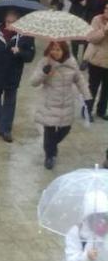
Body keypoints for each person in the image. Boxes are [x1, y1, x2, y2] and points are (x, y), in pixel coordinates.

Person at [0, 10, 35, 142]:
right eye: (8, 21)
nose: (10, 25)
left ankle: (5, 129)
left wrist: (20, 52)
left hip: (12, 75)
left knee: (10, 101)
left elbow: (30, 56)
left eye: (14, 22)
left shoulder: (25, 36)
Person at [31, 41, 90, 170]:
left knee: (65, 129)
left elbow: (80, 80)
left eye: (58, 50)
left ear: (64, 51)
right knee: (49, 131)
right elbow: (33, 82)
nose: (55, 52)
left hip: (66, 103)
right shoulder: (45, 62)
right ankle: (49, 156)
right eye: (53, 49)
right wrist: (44, 73)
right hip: (49, 103)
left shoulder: (72, 63)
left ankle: (51, 146)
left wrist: (87, 96)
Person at [85, 4, 108, 120]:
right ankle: (87, 110)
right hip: (96, 60)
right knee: (93, 87)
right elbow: (91, 38)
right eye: (106, 8)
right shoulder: (96, 19)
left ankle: (101, 111)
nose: (107, 11)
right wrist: (104, 29)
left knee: (106, 89)